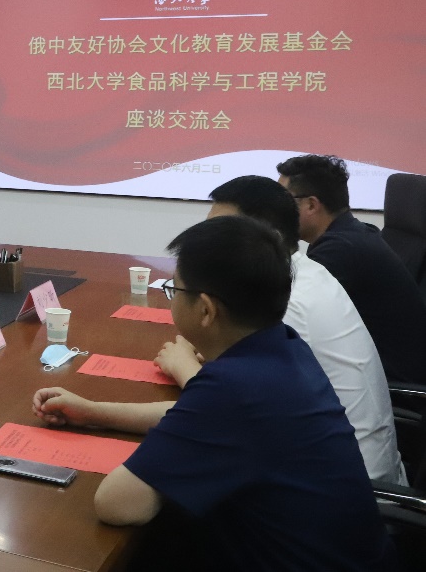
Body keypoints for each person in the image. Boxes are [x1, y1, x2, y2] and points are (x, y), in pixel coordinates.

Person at [32, 215, 395, 571]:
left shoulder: (234, 388)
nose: (172, 299)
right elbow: (195, 418)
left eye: (175, 290)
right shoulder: (283, 346)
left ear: (205, 310)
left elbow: (118, 504)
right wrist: (93, 412)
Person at [153, 175, 405, 485]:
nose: (208, 241)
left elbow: (231, 406)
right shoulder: (301, 272)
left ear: (264, 238)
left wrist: (184, 366)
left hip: (350, 485)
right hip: (324, 459)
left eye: (224, 230)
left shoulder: (289, 302)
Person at [277, 154, 426, 384]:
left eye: (281, 201)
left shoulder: (339, 251)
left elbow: (282, 318)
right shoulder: (350, 234)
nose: (275, 210)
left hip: (395, 388)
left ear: (311, 205)